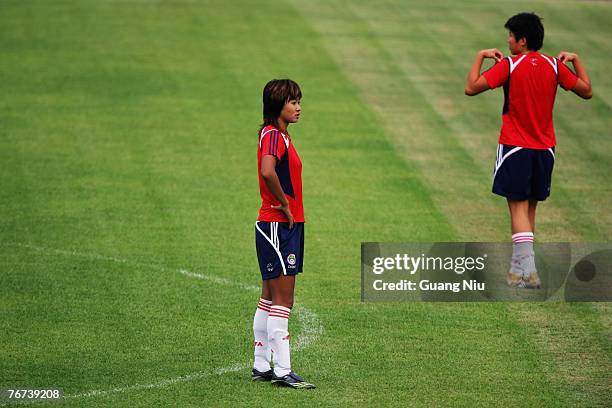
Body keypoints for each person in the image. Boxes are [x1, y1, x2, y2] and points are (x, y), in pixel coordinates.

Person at [464, 12, 592, 288]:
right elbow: (586, 91)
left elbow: (471, 88)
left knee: (517, 210)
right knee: (529, 210)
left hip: (514, 147)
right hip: (545, 149)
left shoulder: (510, 65)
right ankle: (516, 272)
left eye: (511, 36)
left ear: (522, 41)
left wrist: (480, 56)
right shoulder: (555, 67)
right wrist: (577, 60)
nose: (508, 40)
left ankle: (530, 272)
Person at [251, 79, 315, 389]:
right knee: (283, 302)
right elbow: (267, 170)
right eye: (292, 102)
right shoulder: (275, 136)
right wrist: (284, 205)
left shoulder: (274, 135)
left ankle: (262, 363)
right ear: (278, 106)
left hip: (276, 226)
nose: (298, 107)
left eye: (298, 101)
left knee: (268, 297)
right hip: (279, 226)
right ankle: (283, 370)